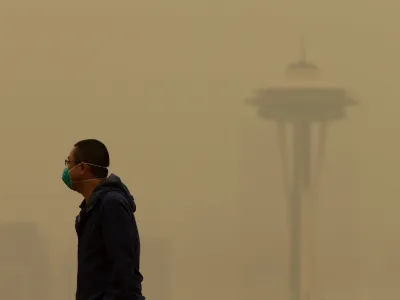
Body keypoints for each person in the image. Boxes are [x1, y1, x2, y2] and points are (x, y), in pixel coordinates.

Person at [62, 139, 145, 300]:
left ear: (83, 167)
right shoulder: (91, 208)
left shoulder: (111, 204)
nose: (66, 170)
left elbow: (124, 270)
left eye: (68, 163)